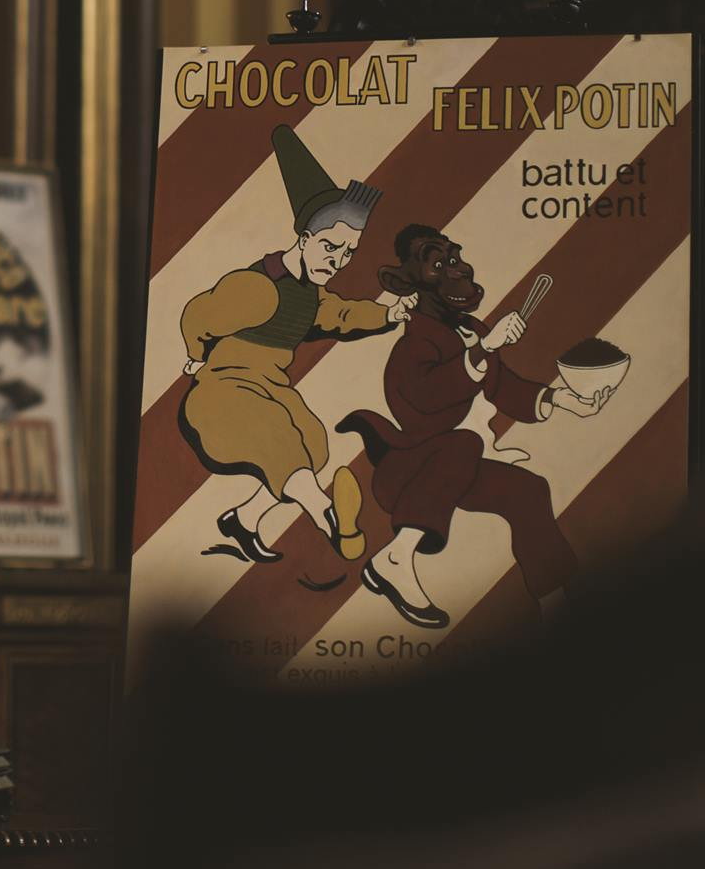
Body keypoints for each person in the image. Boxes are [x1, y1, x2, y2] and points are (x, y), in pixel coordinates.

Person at [338, 224, 610, 628]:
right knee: (463, 442)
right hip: (411, 474)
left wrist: (564, 399)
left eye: (454, 258)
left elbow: (505, 387)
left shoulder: (473, 332)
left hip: (457, 467)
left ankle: (555, 604)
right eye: (438, 264)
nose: (458, 269)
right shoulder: (414, 345)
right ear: (409, 282)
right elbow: (429, 397)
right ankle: (395, 557)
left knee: (529, 490)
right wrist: (485, 349)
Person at [178, 124, 413, 569]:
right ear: (305, 238)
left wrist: (388, 314)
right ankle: (330, 519)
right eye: (330, 247)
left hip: (271, 387)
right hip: (224, 390)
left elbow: (339, 314)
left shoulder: (309, 294)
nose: (337, 261)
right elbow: (198, 315)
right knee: (282, 445)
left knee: (312, 443)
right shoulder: (258, 288)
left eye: (347, 253)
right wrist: (195, 355)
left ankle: (243, 521)